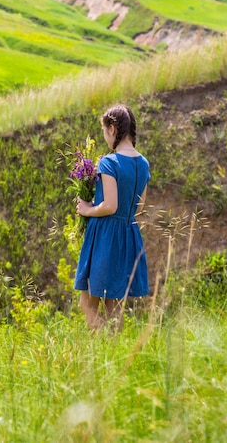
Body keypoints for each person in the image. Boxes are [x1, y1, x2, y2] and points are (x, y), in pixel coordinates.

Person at [74, 104, 150, 330]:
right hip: (129, 235)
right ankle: (114, 351)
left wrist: (87, 209)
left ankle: (100, 351)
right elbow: (140, 204)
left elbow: (110, 205)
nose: (106, 138)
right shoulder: (143, 163)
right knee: (114, 305)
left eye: (105, 131)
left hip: (106, 236)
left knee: (88, 301)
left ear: (113, 129)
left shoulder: (109, 162)